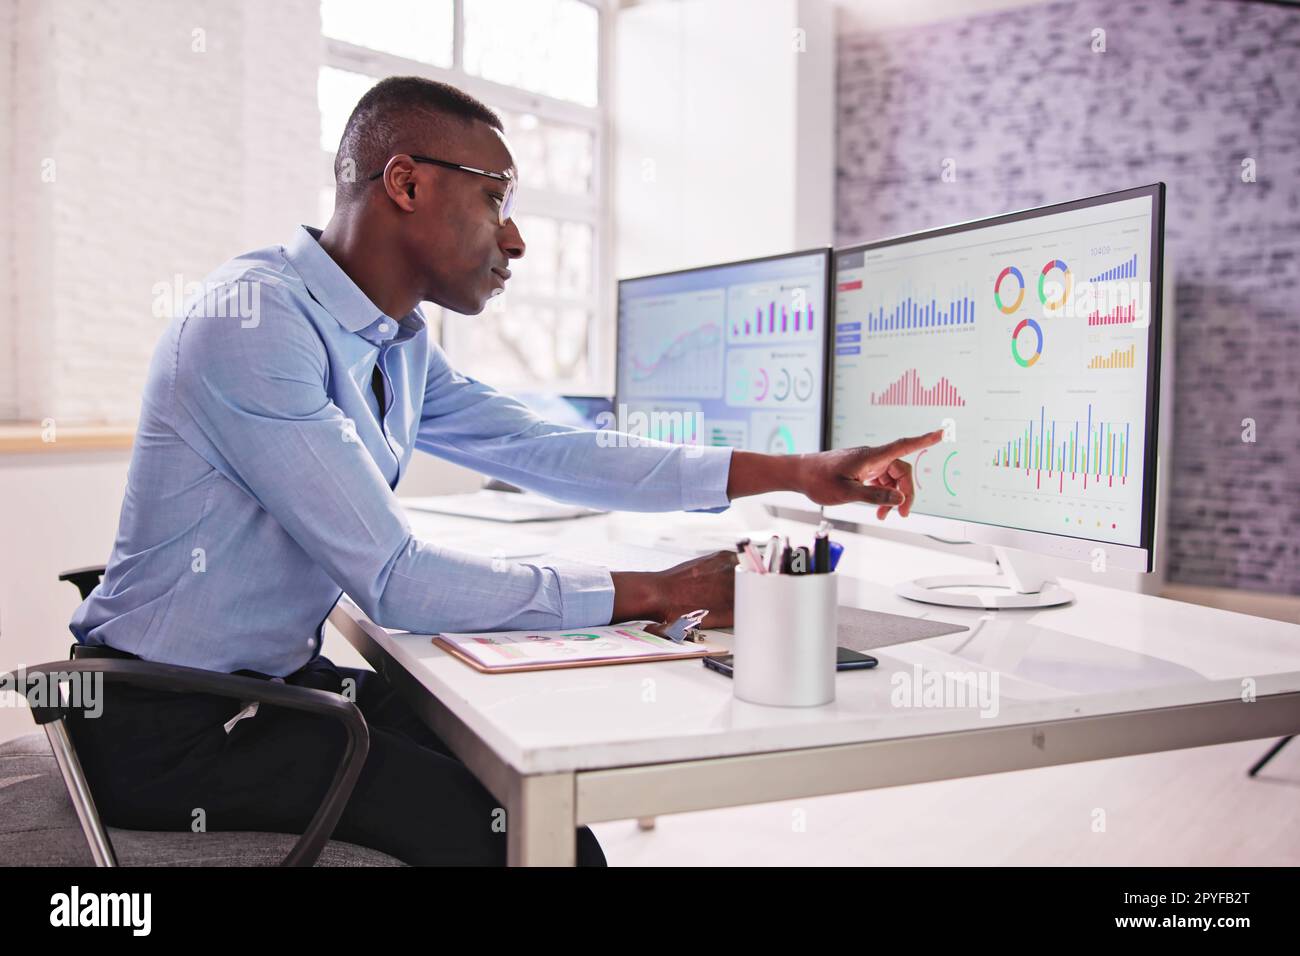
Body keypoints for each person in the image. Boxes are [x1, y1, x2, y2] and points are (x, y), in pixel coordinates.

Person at [67, 76, 942, 866]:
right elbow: (397, 583)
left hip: (272, 689)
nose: (516, 238)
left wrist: (799, 470)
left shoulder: (395, 340)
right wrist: (661, 590)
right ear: (405, 183)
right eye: (494, 200)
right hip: (175, 725)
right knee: (526, 845)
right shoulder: (253, 322)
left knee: (536, 802)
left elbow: (550, 450)